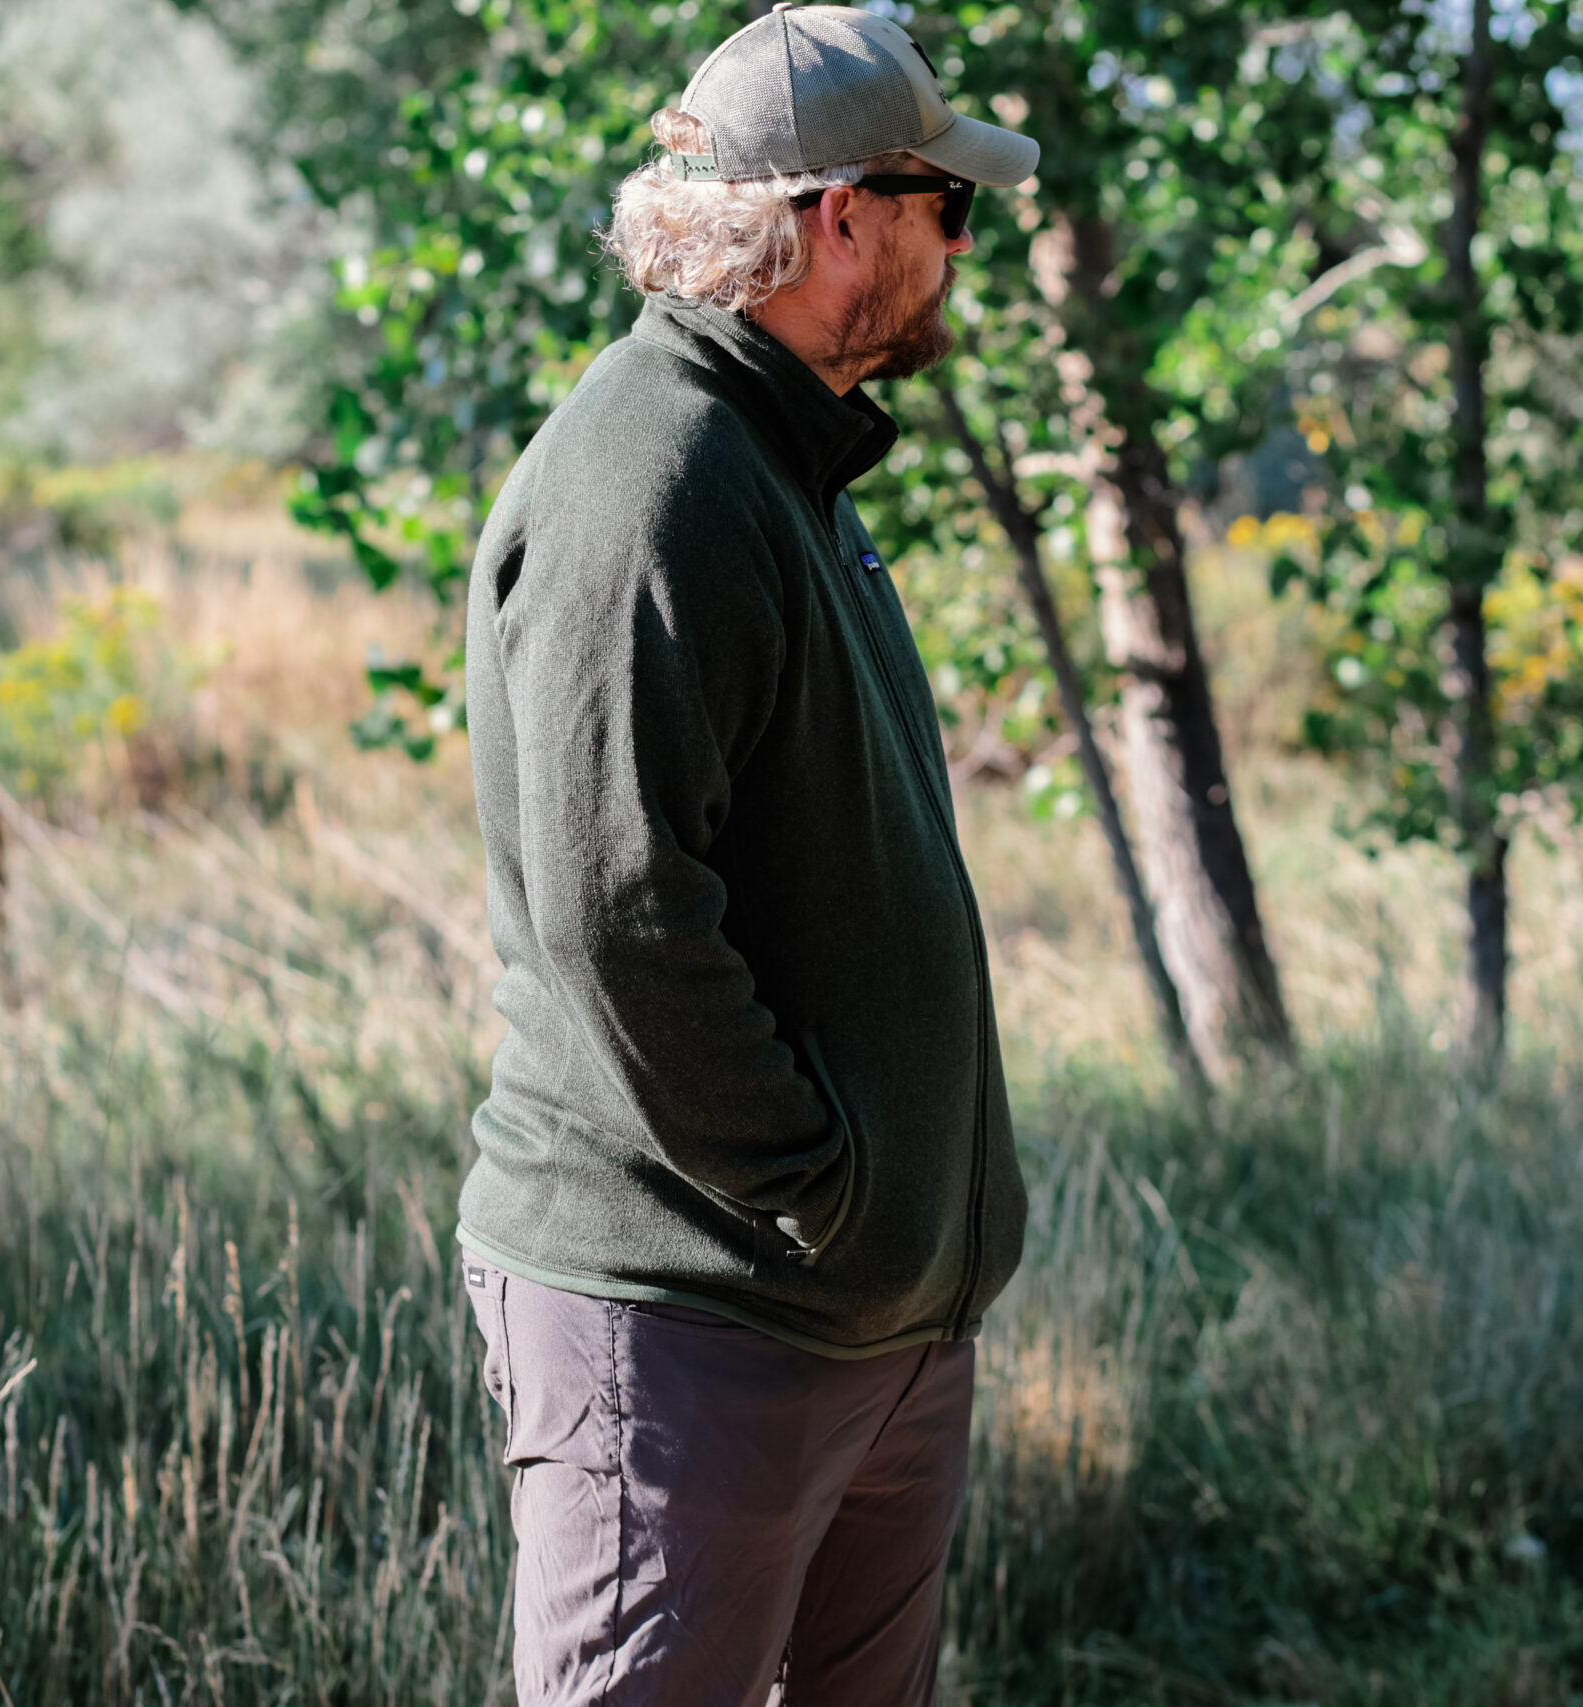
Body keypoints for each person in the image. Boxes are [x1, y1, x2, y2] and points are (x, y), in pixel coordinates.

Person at [454, 6, 1040, 1703]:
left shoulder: (779, 464)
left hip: (856, 1318)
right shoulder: (652, 481)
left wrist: (896, 1240)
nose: (958, 251)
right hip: (699, 1321)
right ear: (842, 214)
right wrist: (823, 1193)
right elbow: (618, 920)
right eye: (952, 206)